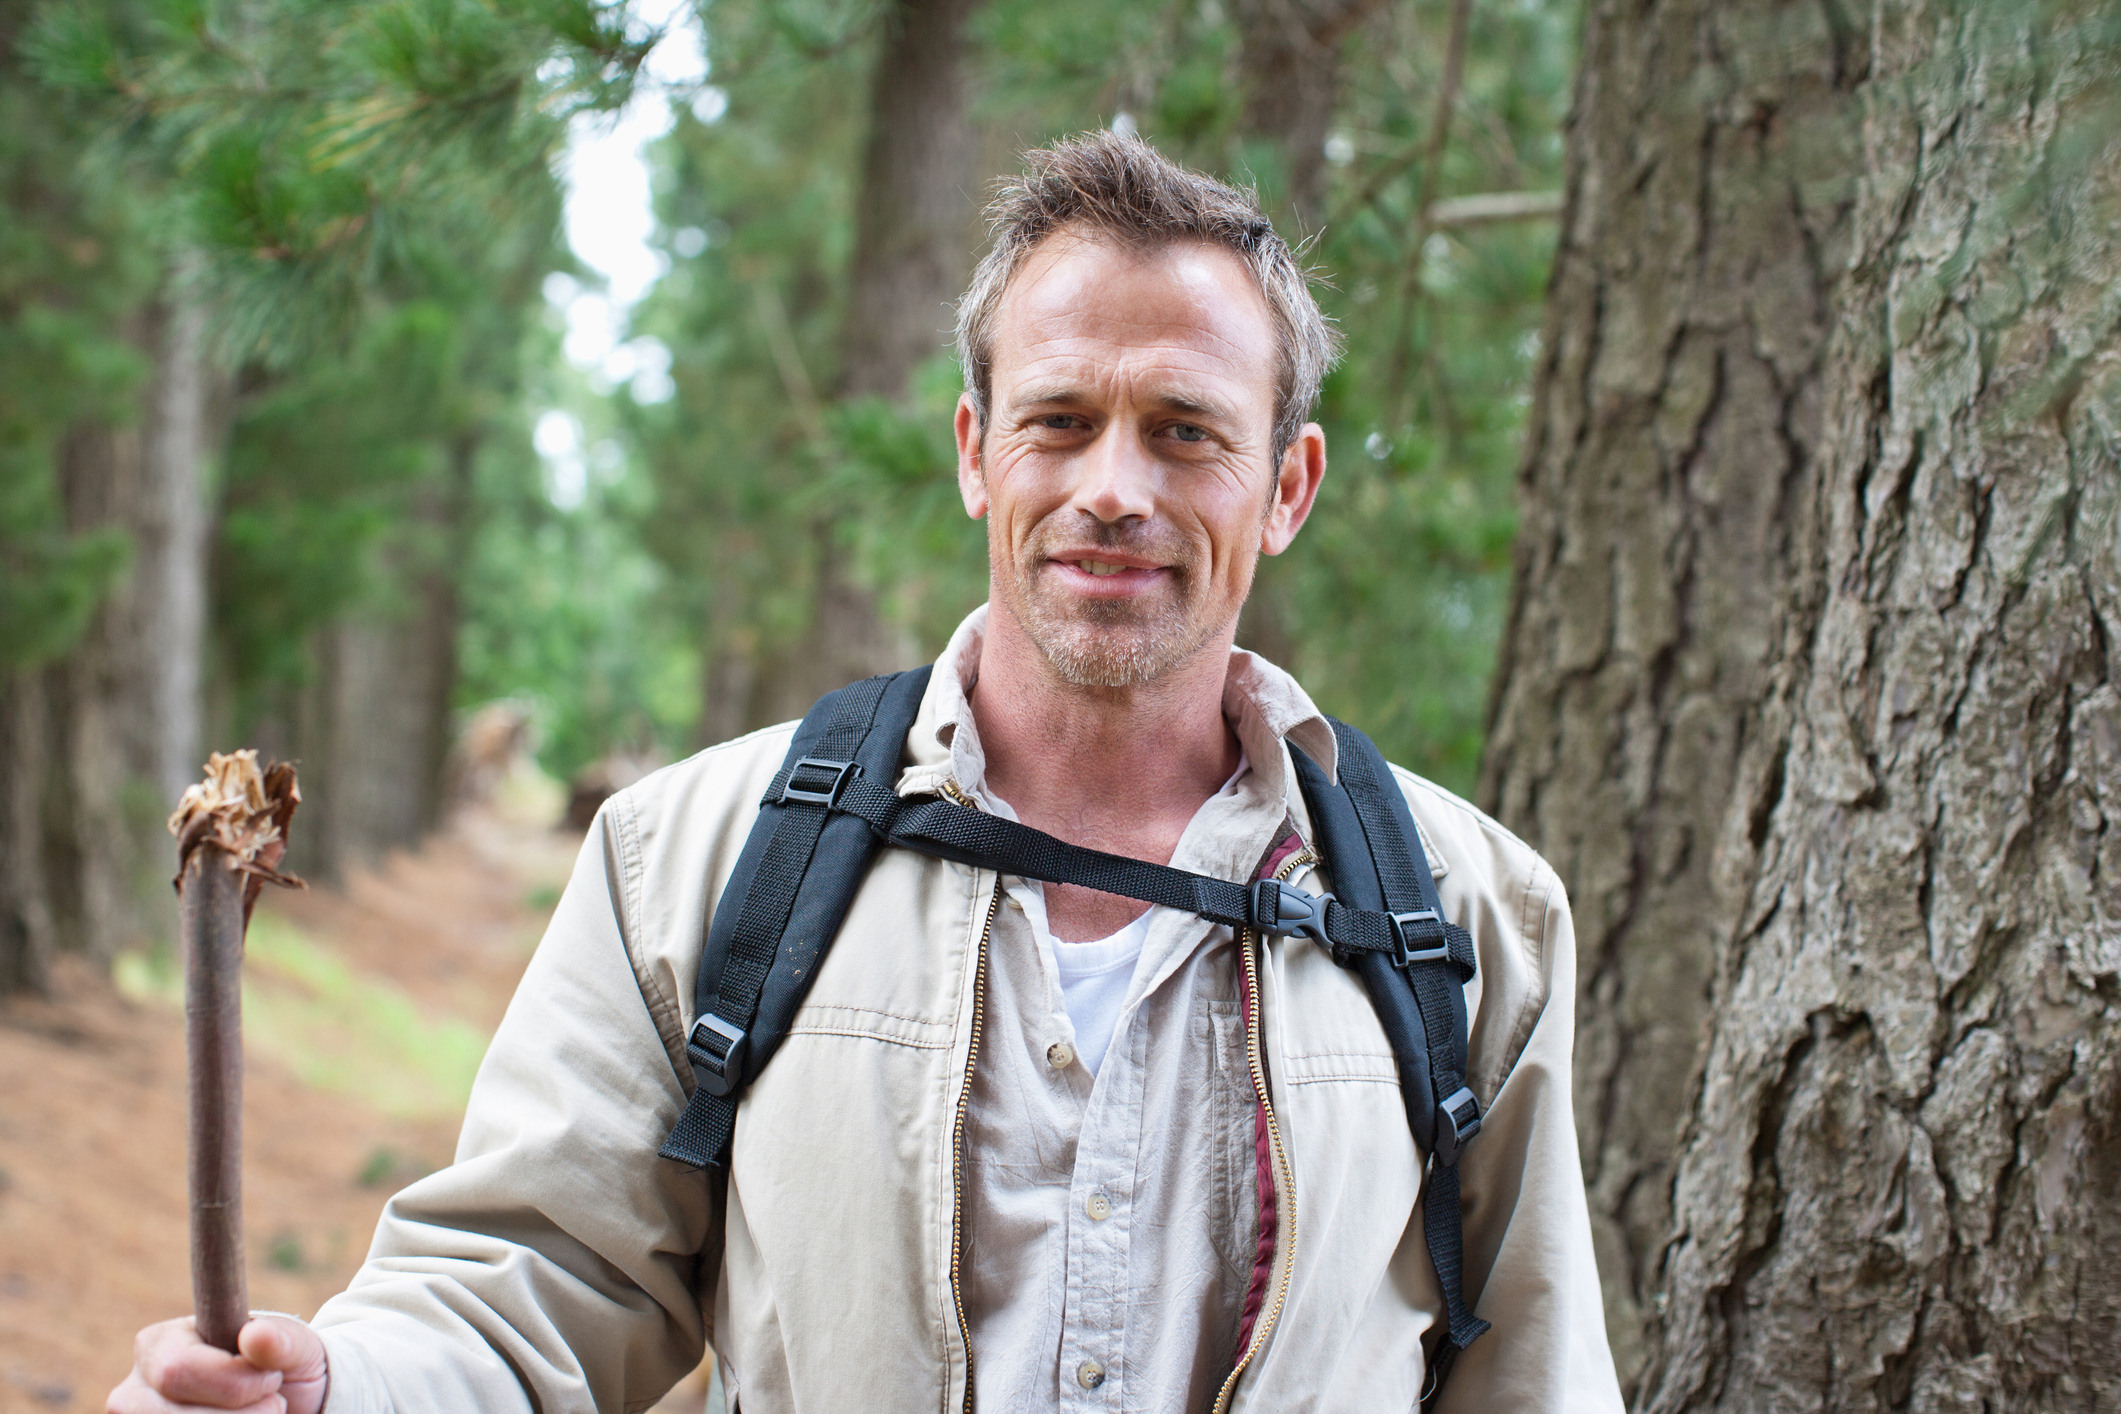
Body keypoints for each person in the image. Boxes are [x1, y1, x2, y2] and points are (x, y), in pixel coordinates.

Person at [111, 133, 1623, 1414]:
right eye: (1060, 420)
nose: (1113, 487)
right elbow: (536, 1285)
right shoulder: (700, 856)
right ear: (974, 452)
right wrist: (337, 1386)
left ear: (1286, 485)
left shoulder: (1465, 916)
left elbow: (1530, 1370)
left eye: (1184, 432)